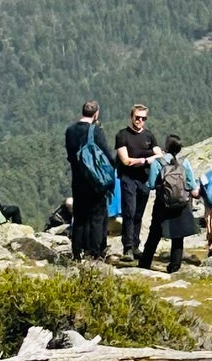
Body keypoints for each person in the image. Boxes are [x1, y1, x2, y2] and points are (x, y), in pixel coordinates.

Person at [139, 135, 198, 274]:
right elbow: (191, 184)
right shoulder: (184, 162)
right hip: (181, 205)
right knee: (178, 236)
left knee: (155, 234)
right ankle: (175, 266)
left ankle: (145, 262)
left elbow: (152, 184)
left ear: (166, 147)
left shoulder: (158, 162)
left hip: (162, 204)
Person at [65, 100, 116, 259]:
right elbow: (107, 155)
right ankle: (94, 254)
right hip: (95, 182)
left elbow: (70, 156)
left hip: (78, 180)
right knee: (97, 217)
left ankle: (76, 252)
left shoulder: (70, 130)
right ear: (96, 113)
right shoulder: (95, 131)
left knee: (79, 217)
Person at [114, 105, 158, 259]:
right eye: (137, 117)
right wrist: (146, 159)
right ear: (131, 117)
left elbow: (159, 153)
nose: (140, 120)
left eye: (143, 118)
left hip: (144, 180)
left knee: (139, 214)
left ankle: (135, 246)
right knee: (129, 212)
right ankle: (127, 247)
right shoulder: (122, 135)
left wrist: (142, 161)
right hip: (128, 178)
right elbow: (125, 160)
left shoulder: (149, 136)